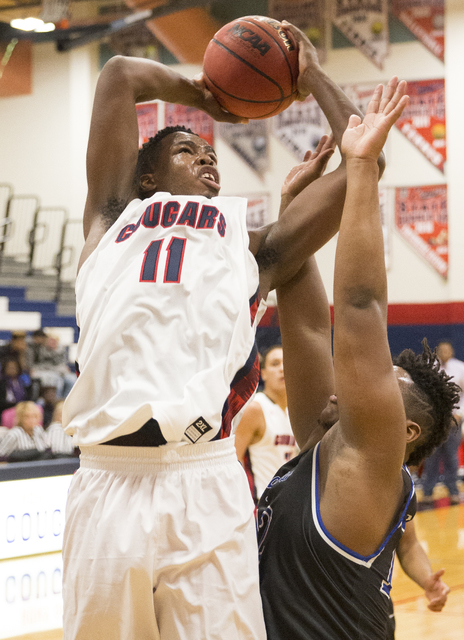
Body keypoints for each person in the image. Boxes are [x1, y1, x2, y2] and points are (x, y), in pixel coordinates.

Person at [61, 21, 378, 640]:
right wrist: (206, 98)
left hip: (202, 478)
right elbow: (120, 74)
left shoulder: (251, 250)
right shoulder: (111, 220)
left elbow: (365, 156)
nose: (207, 160)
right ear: (145, 179)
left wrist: (309, 73)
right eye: (188, 152)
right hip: (105, 478)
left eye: (212, 157)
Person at [257, 74, 460, 640]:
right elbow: (305, 326)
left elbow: (359, 305)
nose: (347, 382)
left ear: (406, 428)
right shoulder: (323, 453)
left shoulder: (368, 459)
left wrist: (364, 168)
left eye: (381, 380)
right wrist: (293, 216)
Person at [235, 344, 296, 501]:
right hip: (261, 504)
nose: (282, 368)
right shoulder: (255, 409)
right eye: (275, 364)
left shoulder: (296, 412)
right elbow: (234, 461)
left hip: (288, 503)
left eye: (286, 363)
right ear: (263, 373)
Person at [386, 519, 449, 638]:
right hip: (340, 611)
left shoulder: (399, 500)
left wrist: (426, 578)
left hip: (378, 607)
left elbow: (407, 545)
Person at [421, 340, 464, 505]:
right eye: (442, 350)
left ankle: (453, 491)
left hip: (454, 420)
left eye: (448, 350)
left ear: (452, 352)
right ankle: (427, 491)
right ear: (437, 352)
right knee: (431, 456)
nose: (445, 353)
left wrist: (459, 414)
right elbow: (424, 393)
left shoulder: (460, 367)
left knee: (451, 457)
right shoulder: (429, 368)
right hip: (435, 420)